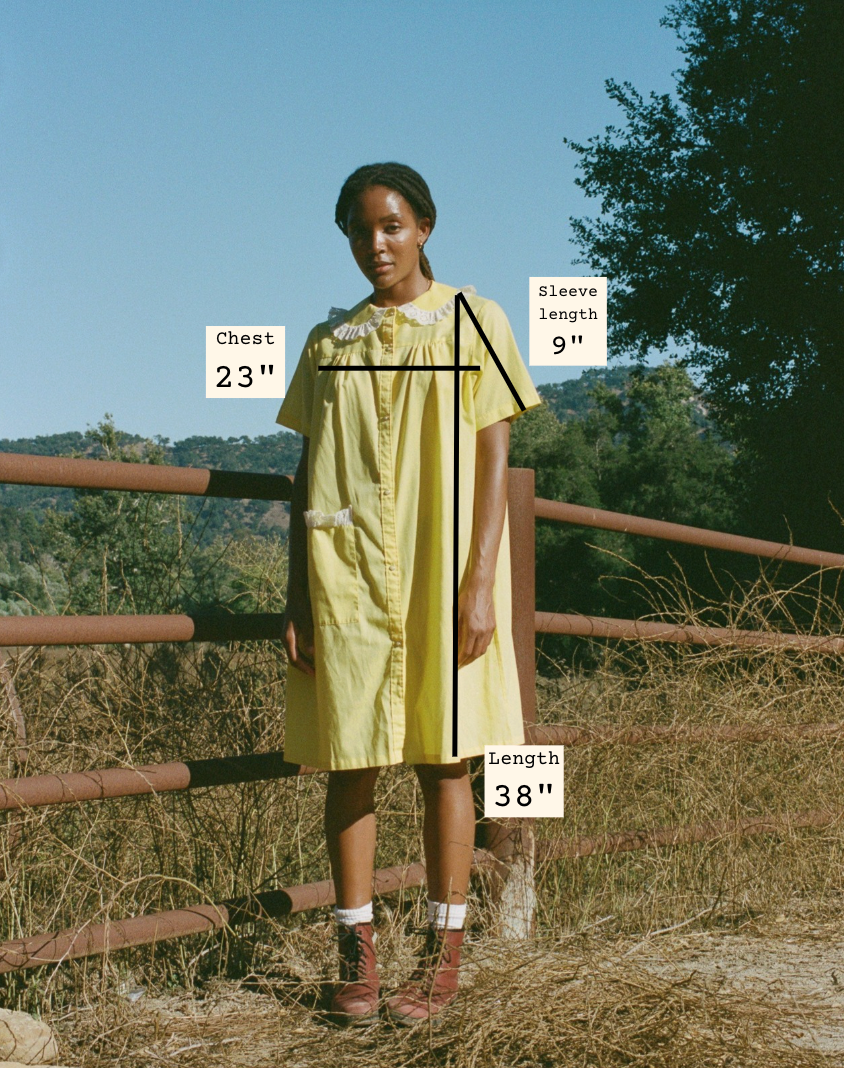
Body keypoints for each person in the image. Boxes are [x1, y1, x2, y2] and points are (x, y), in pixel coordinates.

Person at [276, 162, 541, 1027]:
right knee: (350, 760)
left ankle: (442, 959)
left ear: (424, 225)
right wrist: (298, 595)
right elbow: (308, 472)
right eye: (358, 230)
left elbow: (495, 456)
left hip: (441, 565)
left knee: (445, 756)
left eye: (390, 225)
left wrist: (479, 581)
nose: (374, 245)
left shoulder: (474, 318)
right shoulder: (330, 342)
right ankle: (356, 961)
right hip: (345, 571)